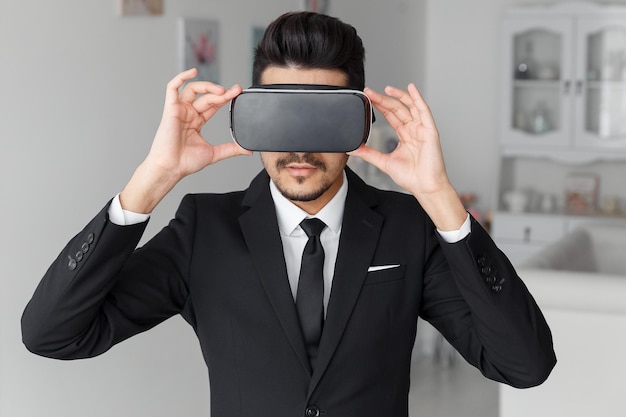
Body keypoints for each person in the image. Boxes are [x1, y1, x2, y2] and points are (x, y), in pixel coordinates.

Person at [22, 11, 555, 417]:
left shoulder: (406, 227)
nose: (299, 146)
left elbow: (523, 366)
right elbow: (53, 335)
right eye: (282, 112)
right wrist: (154, 177)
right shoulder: (203, 229)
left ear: (359, 123)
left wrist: (439, 195)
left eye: (321, 116)